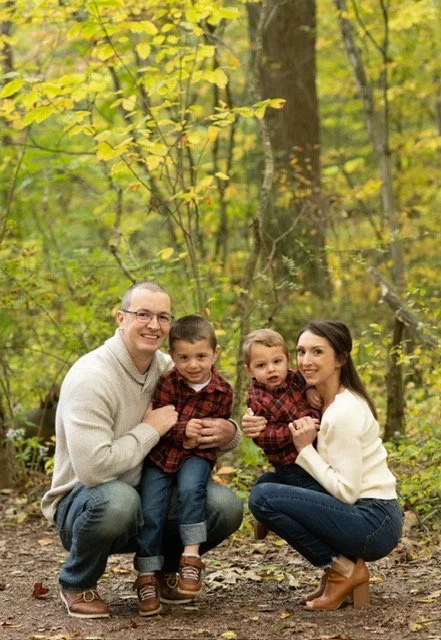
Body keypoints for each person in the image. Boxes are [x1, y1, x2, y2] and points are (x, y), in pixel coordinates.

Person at [41, 282, 243, 619]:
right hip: (86, 503)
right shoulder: (92, 377)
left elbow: (210, 407)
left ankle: (160, 570)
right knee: (120, 499)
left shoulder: (168, 367)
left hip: (151, 492)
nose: (154, 324)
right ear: (121, 318)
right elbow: (94, 470)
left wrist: (229, 432)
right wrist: (151, 429)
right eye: (143, 314)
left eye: (163, 317)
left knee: (225, 506)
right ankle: (76, 582)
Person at [243, 320, 403, 611]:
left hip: (374, 522)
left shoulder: (343, 411)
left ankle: (343, 570)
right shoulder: (320, 400)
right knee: (265, 484)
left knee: (262, 498)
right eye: (301, 352)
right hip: (365, 515)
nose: (306, 361)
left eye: (317, 352)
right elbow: (272, 401)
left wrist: (304, 447)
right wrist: (251, 418)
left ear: (340, 358)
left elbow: (346, 492)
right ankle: (336, 573)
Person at [134, 315, 233, 615]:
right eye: (184, 358)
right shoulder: (167, 382)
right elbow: (160, 421)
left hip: (197, 456)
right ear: (172, 356)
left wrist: (206, 434)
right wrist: (182, 430)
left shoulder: (222, 390)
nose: (193, 365)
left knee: (192, 490)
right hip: (162, 457)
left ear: (214, 354)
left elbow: (220, 428)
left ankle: (191, 558)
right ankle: (146, 576)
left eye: (201, 356)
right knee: (150, 510)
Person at [243, 329, 321, 539]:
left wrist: (310, 390)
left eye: (277, 361)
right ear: (249, 370)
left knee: (280, 485)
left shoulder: (297, 380)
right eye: (261, 365)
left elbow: (312, 383)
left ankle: (267, 491)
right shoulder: (257, 398)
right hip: (290, 462)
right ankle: (270, 514)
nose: (271, 370)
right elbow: (262, 436)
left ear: (287, 360)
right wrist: (294, 432)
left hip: (317, 452)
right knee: (314, 497)